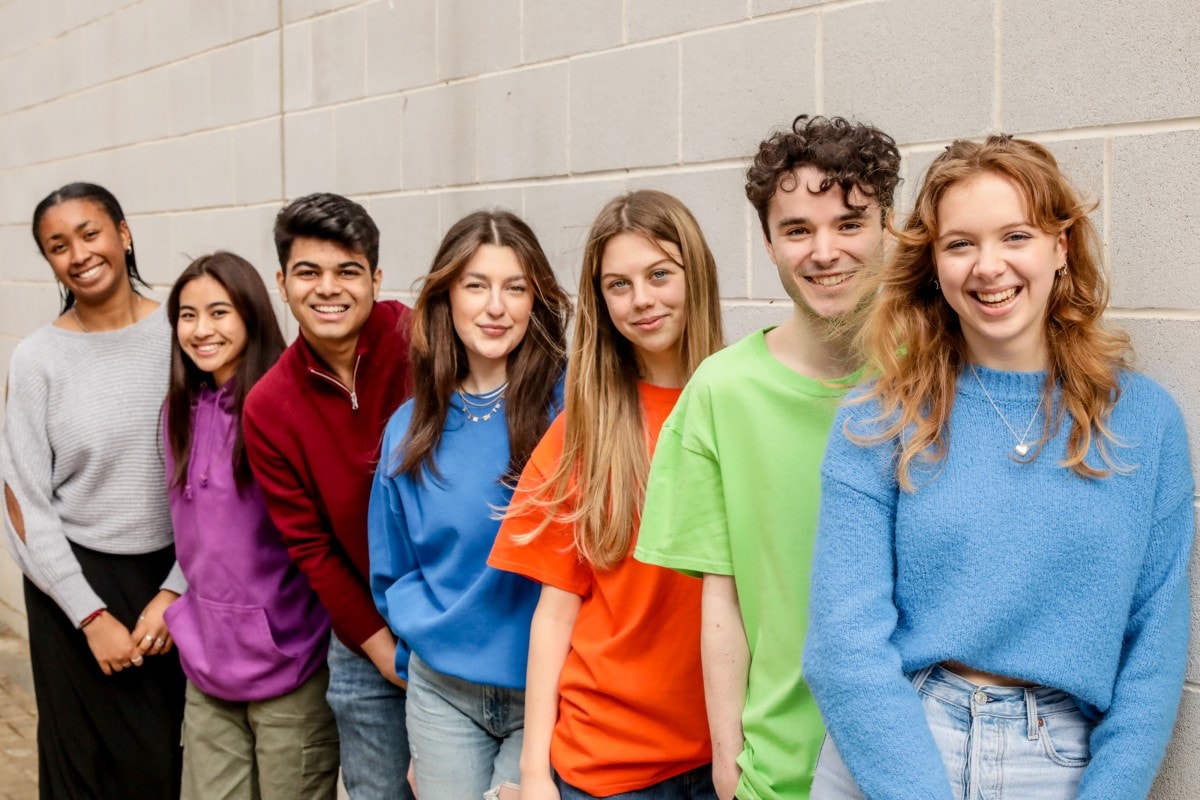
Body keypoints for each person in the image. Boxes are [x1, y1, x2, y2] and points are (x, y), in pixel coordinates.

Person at [803, 136, 1194, 800]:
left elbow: (1154, 655)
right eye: (960, 244)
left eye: (1015, 235)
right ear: (933, 264)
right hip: (892, 748)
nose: (989, 266)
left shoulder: (1144, 422)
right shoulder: (880, 418)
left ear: (1059, 248)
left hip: (1058, 763)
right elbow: (844, 645)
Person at [635, 115, 901, 800]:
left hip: (923, 760)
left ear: (889, 229)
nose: (824, 250)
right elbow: (721, 594)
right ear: (769, 244)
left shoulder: (935, 377)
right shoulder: (722, 391)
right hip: (779, 770)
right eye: (797, 230)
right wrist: (729, 759)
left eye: (849, 223)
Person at [488, 190, 726, 800]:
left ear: (694, 275)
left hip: (729, 753)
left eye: (659, 275)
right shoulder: (586, 427)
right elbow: (556, 611)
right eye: (618, 284)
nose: (641, 299)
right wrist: (534, 772)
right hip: (608, 767)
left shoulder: (738, 403)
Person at [368, 211, 571, 800]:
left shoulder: (573, 409)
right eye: (476, 285)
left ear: (536, 300)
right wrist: (422, 723)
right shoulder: (408, 430)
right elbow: (394, 573)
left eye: (516, 287)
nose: (496, 307)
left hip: (550, 689)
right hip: (442, 696)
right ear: (446, 297)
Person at [1, 182, 186, 799]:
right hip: (73, 588)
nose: (78, 254)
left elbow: (222, 485)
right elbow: (23, 502)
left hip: (175, 581)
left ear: (123, 233)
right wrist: (89, 615)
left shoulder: (183, 336)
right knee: (82, 774)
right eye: (57, 246)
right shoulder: (37, 360)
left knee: (161, 768)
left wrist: (176, 589)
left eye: (89, 233)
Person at [242, 193, 415, 800]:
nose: (328, 289)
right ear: (282, 281)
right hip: (366, 641)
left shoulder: (423, 341)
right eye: (309, 272)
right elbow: (311, 548)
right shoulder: (267, 407)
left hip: (463, 627)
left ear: (375, 278)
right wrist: (384, 653)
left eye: (347, 271)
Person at [163, 251, 339, 799]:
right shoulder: (177, 414)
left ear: (251, 314)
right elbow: (202, 539)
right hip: (207, 667)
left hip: (289, 663)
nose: (202, 329)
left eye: (219, 312)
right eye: (188, 315)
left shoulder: (284, 408)